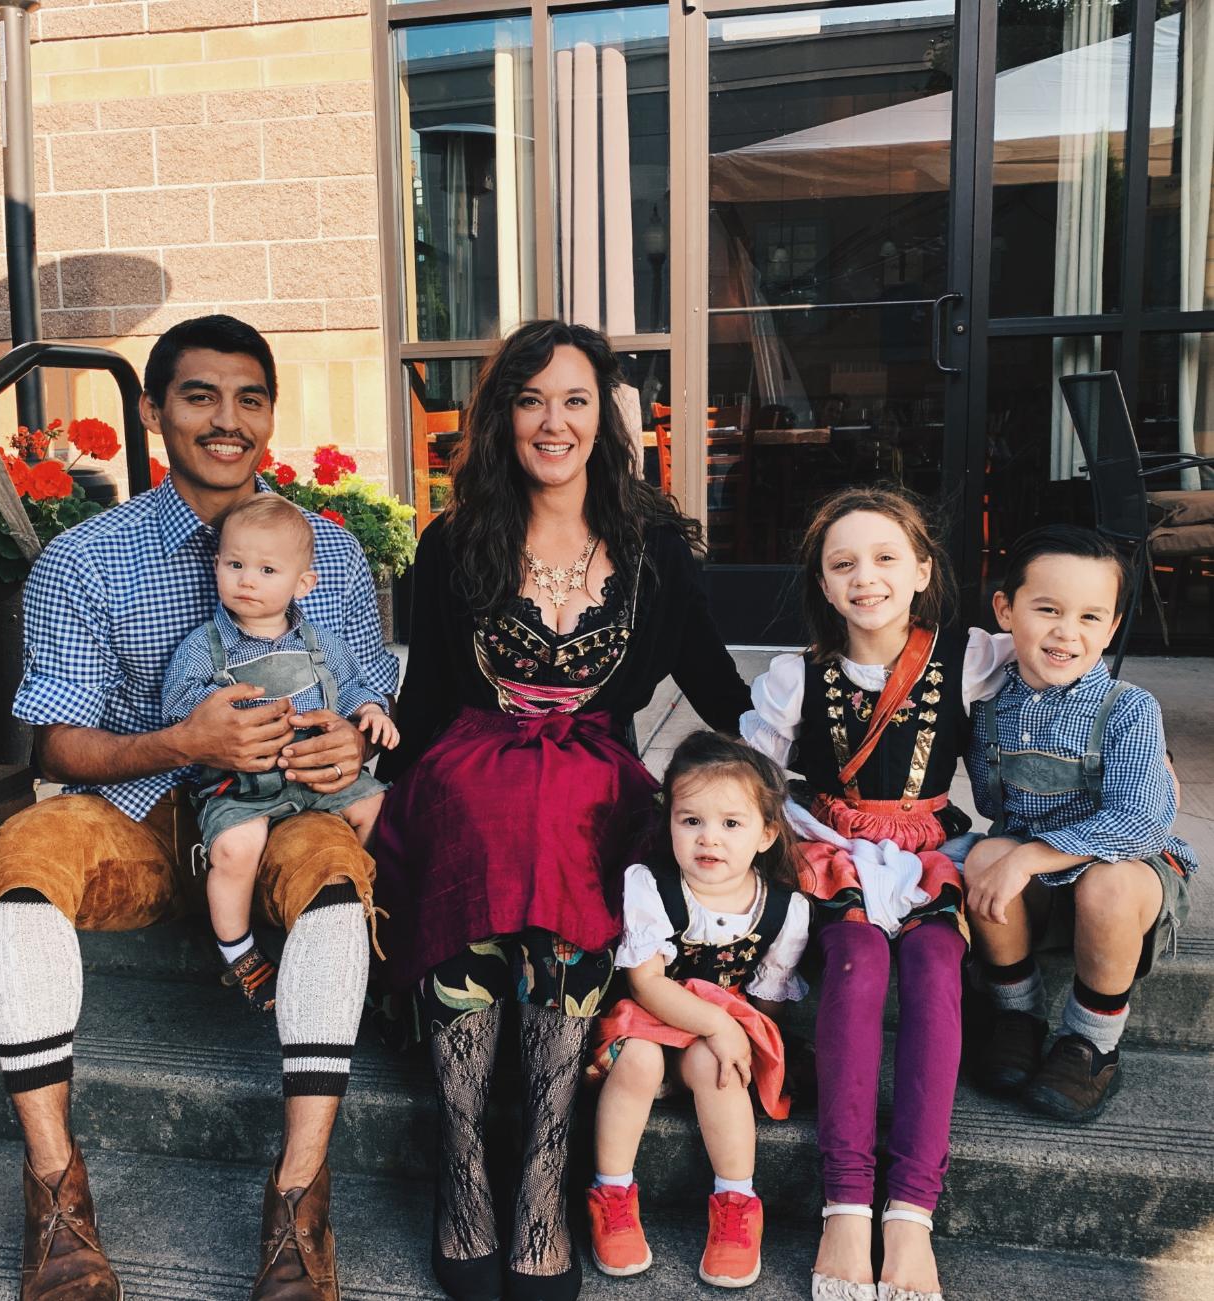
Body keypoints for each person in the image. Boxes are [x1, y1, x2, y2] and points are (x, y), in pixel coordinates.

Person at [0, 315, 397, 1300]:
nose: (226, 418)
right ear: (155, 410)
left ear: (270, 414)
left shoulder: (325, 552)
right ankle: (54, 1193)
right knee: (22, 857)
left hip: (283, 806)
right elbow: (56, 740)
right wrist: (183, 741)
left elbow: (373, 692)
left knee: (335, 871)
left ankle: (298, 1199)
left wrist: (348, 738)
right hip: (134, 805)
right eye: (200, 395)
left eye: (248, 397)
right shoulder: (85, 558)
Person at [371, 320, 752, 1301]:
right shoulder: (455, 541)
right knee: (483, 815)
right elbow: (423, 705)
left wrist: (796, 773)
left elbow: (716, 679)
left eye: (574, 399)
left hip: (592, 773)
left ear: (602, 415)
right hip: (471, 765)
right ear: (502, 417)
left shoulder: (650, 542)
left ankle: (541, 1173)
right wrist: (374, 794)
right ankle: (463, 1169)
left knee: (580, 822)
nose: (553, 420)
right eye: (530, 399)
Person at [741, 486, 1012, 1301]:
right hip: (833, 854)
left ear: (922, 568)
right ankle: (846, 1203)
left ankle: (911, 1214)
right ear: (822, 585)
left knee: (932, 967)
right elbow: (748, 777)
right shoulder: (795, 675)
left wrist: (1136, 747)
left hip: (930, 852)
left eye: (887, 557)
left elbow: (1059, 675)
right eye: (843, 563)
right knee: (856, 959)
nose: (867, 576)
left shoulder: (968, 655)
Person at [963, 525, 1195, 1122]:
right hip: (1039, 883)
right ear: (1005, 610)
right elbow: (995, 808)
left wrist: (1030, 855)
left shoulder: (1130, 708)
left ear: (1112, 627)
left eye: (1092, 617)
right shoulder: (988, 703)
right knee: (984, 857)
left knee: (1107, 883)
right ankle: (1017, 1012)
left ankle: (1091, 1042)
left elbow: (1141, 821)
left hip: (1126, 872)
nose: (1068, 632)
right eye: (1047, 609)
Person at [586, 730, 809, 1290]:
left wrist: (737, 1042)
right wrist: (718, 1024)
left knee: (721, 1067)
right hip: (652, 1016)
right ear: (670, 824)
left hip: (718, 1034)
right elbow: (645, 984)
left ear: (767, 833)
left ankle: (737, 1202)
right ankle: (612, 1192)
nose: (710, 839)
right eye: (692, 821)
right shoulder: (651, 886)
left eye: (731, 824)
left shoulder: (785, 909)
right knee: (638, 1060)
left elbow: (766, 999)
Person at [161, 492, 398, 1011]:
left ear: (302, 583)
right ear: (216, 566)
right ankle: (239, 952)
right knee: (233, 849)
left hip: (318, 769)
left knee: (379, 808)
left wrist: (371, 713)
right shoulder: (205, 646)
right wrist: (212, 713)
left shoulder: (323, 643)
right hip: (242, 780)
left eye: (267, 569)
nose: (247, 579)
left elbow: (353, 684)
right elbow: (177, 704)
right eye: (235, 565)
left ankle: (377, 910)